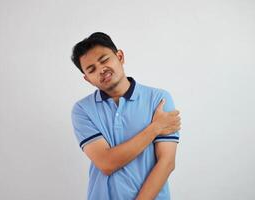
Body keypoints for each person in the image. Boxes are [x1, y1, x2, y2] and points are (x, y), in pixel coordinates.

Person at [71, 32, 181, 200]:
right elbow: (106, 164)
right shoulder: (83, 110)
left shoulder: (159, 99)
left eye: (104, 60)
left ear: (120, 56)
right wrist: (155, 127)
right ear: (88, 79)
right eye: (92, 69)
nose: (101, 69)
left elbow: (166, 163)